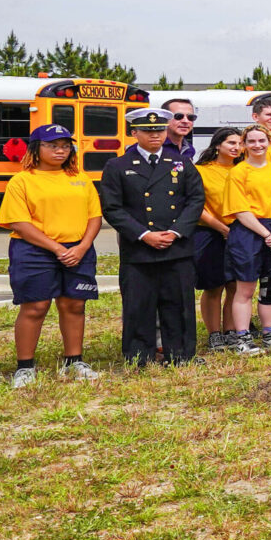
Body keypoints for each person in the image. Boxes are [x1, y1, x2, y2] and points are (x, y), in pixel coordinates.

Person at [97, 107, 204, 366]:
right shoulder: (118, 165)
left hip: (176, 246)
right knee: (139, 304)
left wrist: (176, 231)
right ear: (134, 133)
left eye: (158, 130)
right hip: (140, 248)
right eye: (147, 130)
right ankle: (139, 356)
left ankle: (180, 354)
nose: (154, 135)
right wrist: (144, 234)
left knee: (178, 303)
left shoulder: (179, 162)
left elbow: (196, 199)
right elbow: (112, 207)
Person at [0, 124, 102, 386]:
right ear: (36, 148)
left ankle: (74, 361)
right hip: (34, 251)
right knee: (35, 306)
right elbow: (19, 222)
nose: (60, 150)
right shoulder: (22, 180)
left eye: (66, 146)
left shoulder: (81, 178)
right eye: (52, 145)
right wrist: (57, 248)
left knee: (74, 304)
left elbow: (95, 217)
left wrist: (81, 247)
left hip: (78, 249)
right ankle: (25, 368)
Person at [222, 126, 271, 348]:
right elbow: (240, 210)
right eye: (251, 141)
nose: (257, 145)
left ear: (269, 142)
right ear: (244, 144)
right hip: (250, 231)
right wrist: (267, 234)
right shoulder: (238, 172)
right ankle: (242, 337)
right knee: (245, 288)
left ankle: (270, 335)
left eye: (262, 141)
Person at [191, 127, 244, 346]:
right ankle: (214, 334)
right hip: (210, 233)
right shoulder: (202, 171)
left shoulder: (244, 170)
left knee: (235, 285)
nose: (236, 148)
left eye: (240, 143)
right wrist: (222, 228)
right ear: (217, 146)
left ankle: (231, 331)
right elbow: (197, 206)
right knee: (214, 286)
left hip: (240, 232)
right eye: (231, 143)